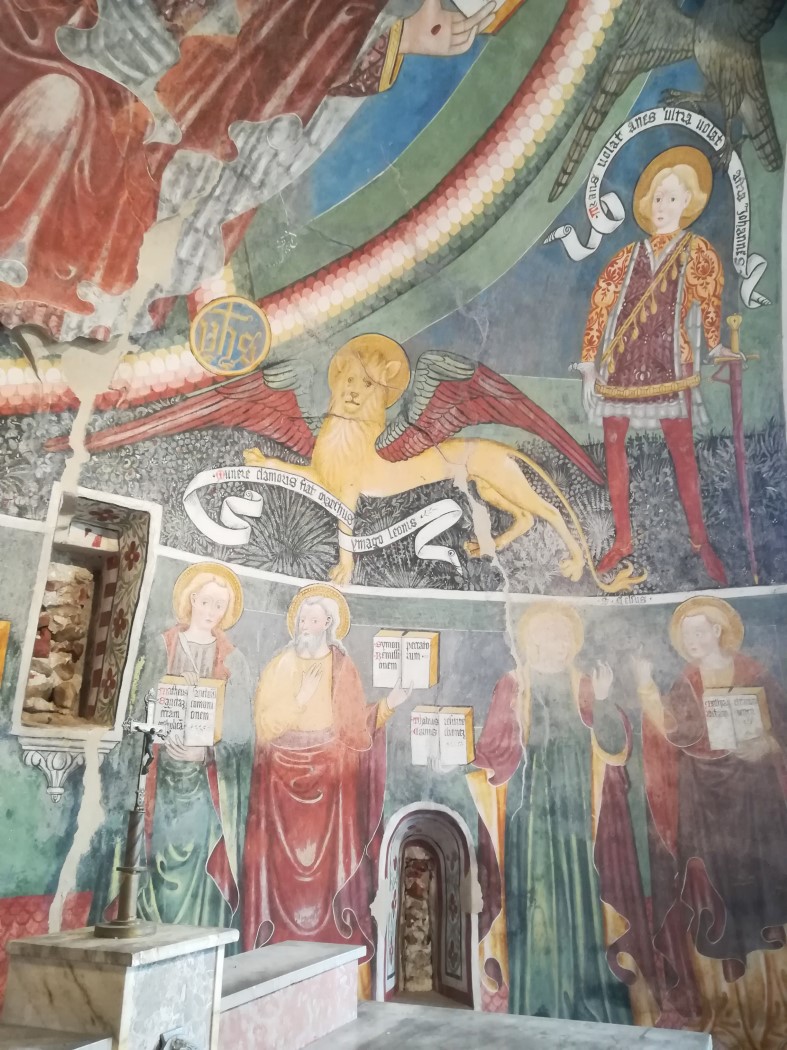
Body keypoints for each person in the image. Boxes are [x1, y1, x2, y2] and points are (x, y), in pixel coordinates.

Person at [0, 0, 494, 339]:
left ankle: (71, 289)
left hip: (172, 105)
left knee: (71, 111)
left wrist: (392, 33)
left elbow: (297, 49)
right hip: (70, 56)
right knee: (55, 103)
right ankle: (35, 280)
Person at [471, 602, 652, 1023]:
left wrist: (602, 702)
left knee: (580, 898)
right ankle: (539, 999)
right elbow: (493, 749)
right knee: (534, 903)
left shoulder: (586, 684)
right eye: (544, 637)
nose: (552, 645)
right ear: (529, 642)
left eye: (560, 638)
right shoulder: (512, 684)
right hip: (529, 817)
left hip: (578, 817)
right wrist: (469, 762)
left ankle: (588, 996)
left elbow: (616, 750)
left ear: (572, 644)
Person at [242, 584, 411, 996]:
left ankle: (337, 950)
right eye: (302, 618)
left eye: (314, 619)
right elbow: (265, 726)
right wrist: (298, 700)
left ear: (329, 625)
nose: (306, 624)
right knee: (278, 868)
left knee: (334, 867)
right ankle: (276, 948)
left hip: (333, 781)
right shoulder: (280, 666)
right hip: (280, 782)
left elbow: (355, 727)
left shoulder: (342, 667)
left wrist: (389, 704)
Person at [634, 596, 787, 1047]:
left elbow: (782, 729)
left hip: (757, 808)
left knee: (765, 901)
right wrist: (645, 688)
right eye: (686, 635)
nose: (692, 641)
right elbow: (675, 733)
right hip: (705, 811)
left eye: (699, 631)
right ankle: (728, 1016)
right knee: (715, 907)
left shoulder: (756, 675)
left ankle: (777, 1012)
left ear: (719, 631)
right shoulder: (687, 682)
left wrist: (769, 746)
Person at [577, 146, 728, 585]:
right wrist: (588, 362)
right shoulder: (628, 256)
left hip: (670, 363)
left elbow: (710, 302)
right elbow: (602, 303)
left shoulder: (697, 252)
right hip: (622, 365)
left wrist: (718, 347)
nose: (662, 205)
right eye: (657, 198)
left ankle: (699, 540)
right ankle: (623, 539)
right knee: (613, 445)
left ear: (687, 202)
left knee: (683, 451)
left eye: (672, 197)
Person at [137, 562, 253, 940]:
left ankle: (196, 938)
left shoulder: (233, 661)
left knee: (202, 860)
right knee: (158, 856)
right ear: (191, 600)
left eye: (220, 605)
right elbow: (140, 706)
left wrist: (205, 754)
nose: (211, 611)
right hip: (162, 778)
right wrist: (166, 691)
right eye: (206, 602)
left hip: (205, 785)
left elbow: (242, 735)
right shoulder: (163, 646)